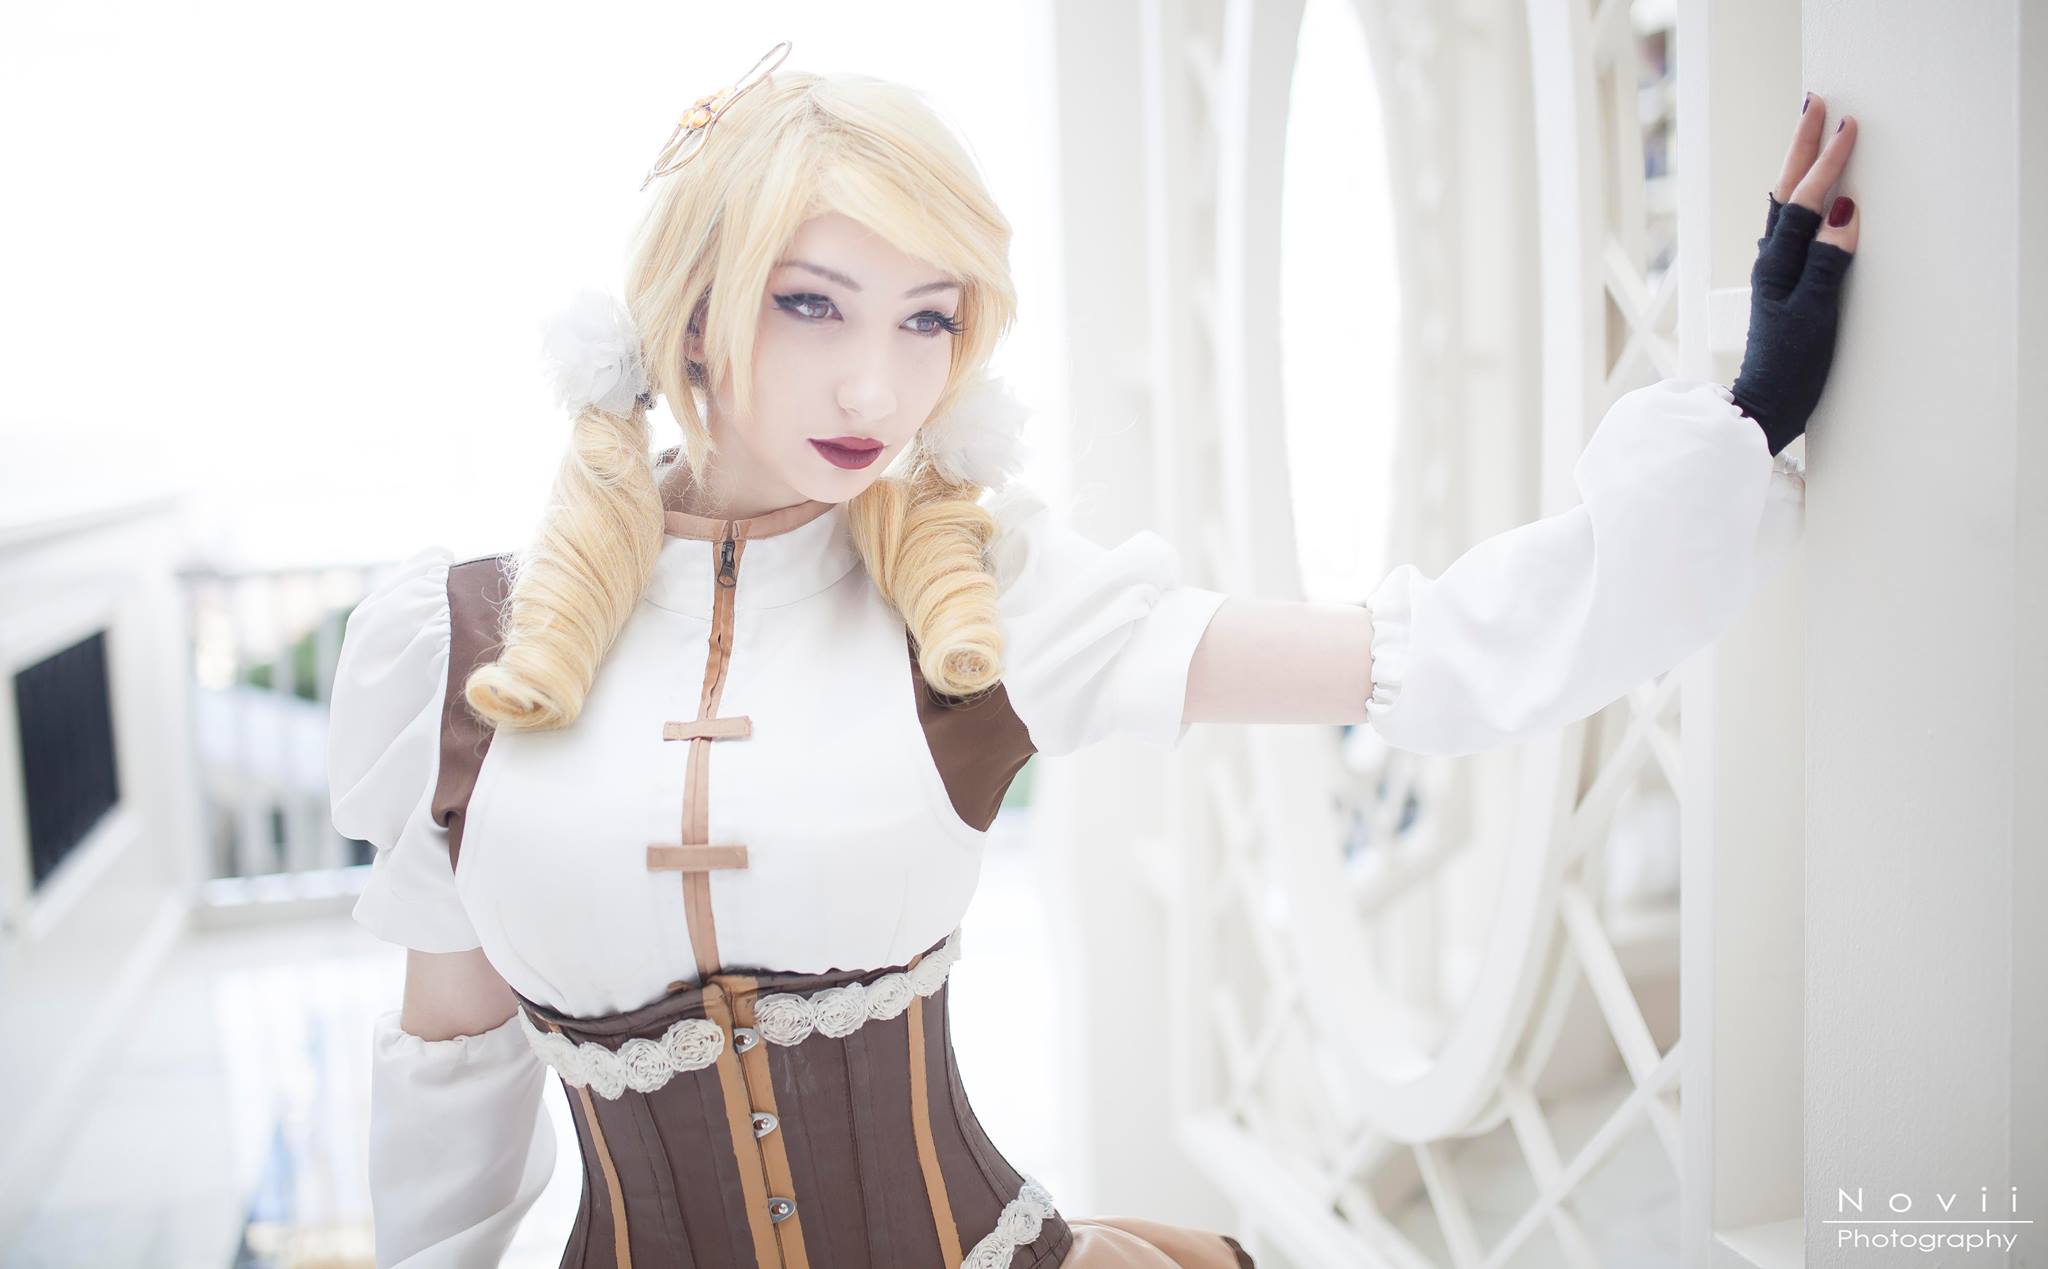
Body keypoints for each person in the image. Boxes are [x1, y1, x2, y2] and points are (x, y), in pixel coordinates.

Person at [328, 43, 1857, 1269]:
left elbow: (1417, 656)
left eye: (928, 320)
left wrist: (1744, 424)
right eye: (812, 304)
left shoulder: (983, 604)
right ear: (690, 313)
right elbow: (455, 1073)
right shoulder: (458, 652)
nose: (877, 385)